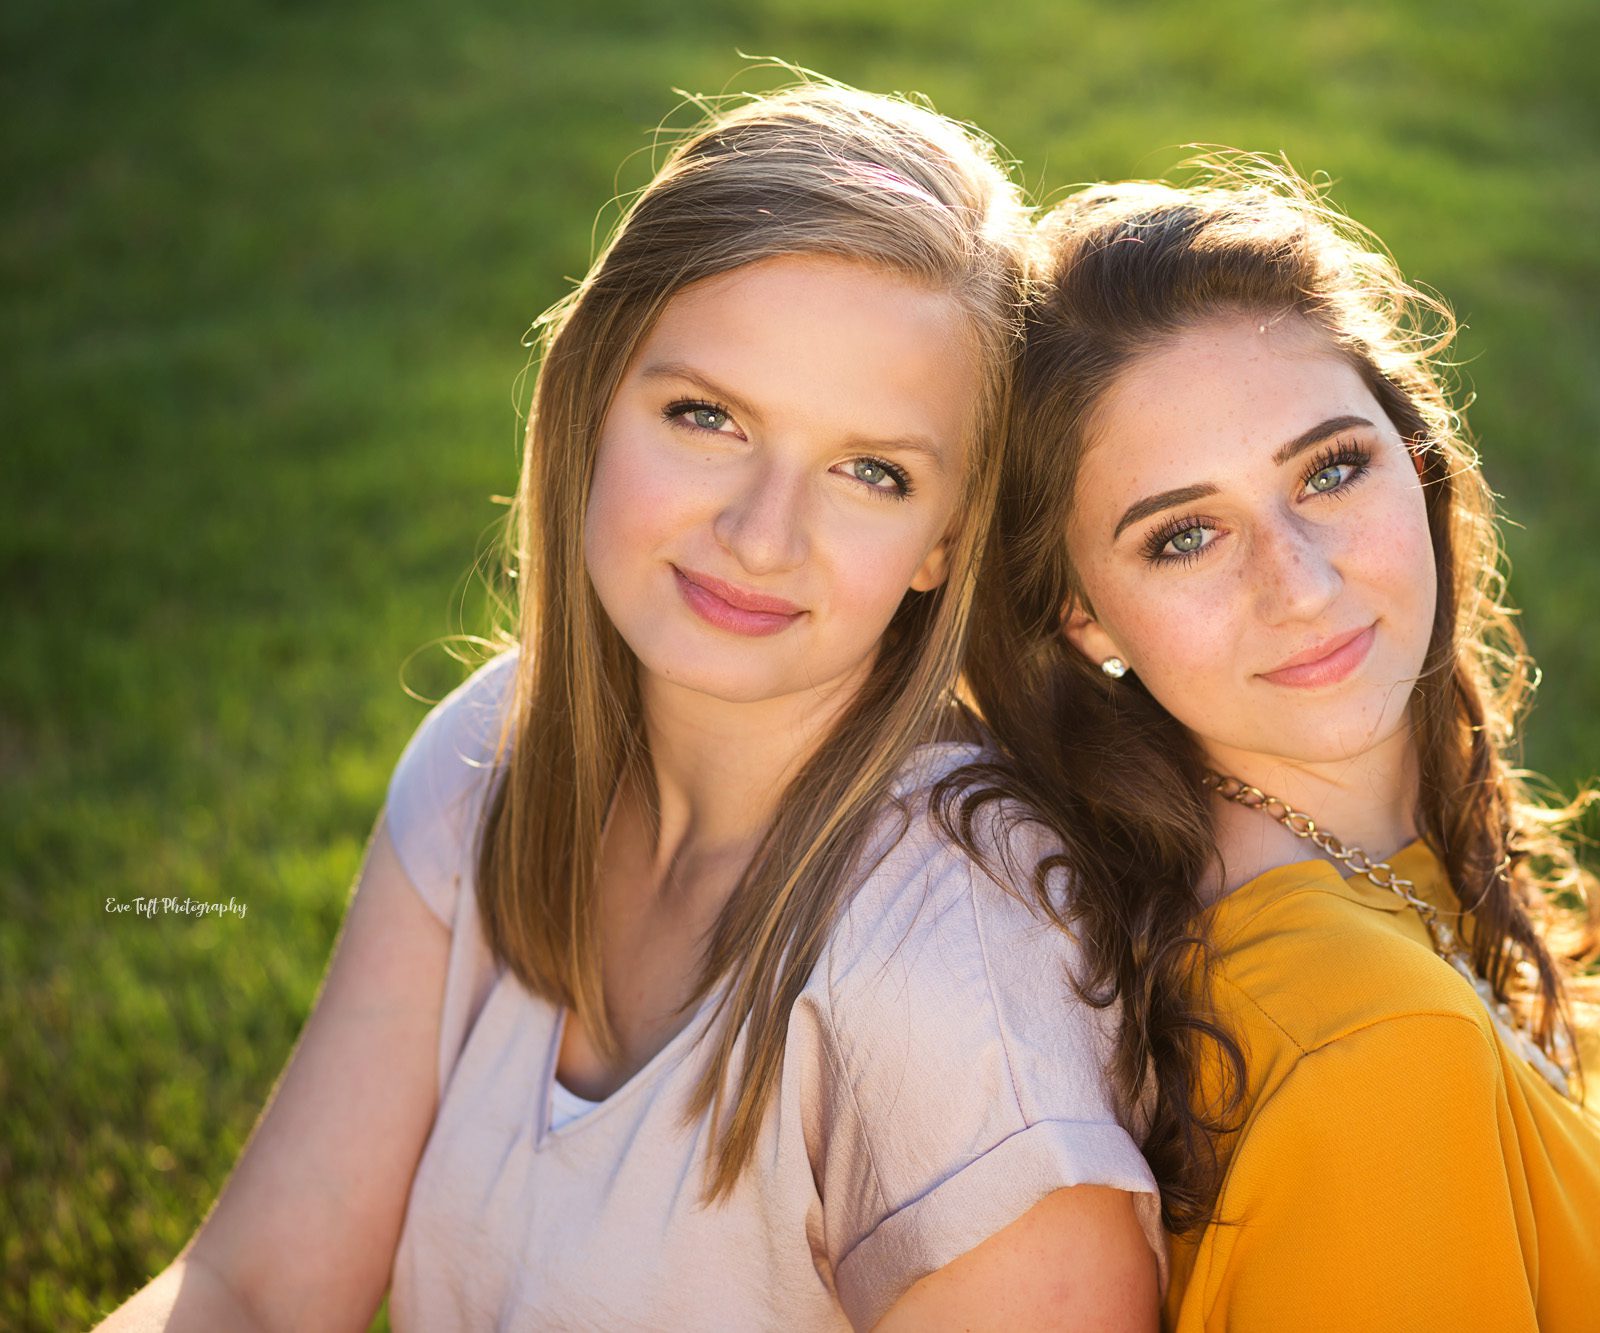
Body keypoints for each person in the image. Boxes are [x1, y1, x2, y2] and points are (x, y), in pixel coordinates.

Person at [97, 83, 1163, 1332]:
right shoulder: (494, 751)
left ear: (944, 537)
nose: (762, 536)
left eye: (869, 472)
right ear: (592, 394)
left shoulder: (956, 980)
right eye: (707, 416)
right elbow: (255, 1289)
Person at [944, 166, 1600, 1330]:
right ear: (1081, 614)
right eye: (1184, 535)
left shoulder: (1373, 864)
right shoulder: (1369, 1047)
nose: (1298, 583)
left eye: (1330, 468)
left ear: (1415, 455)